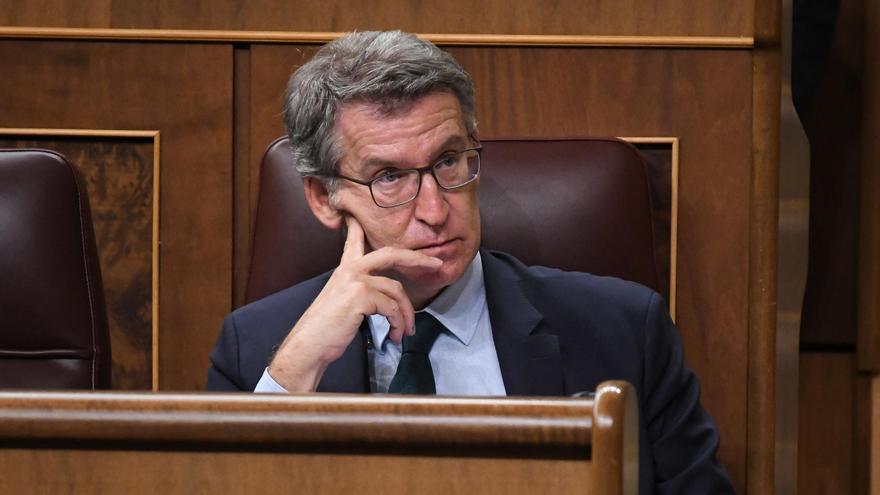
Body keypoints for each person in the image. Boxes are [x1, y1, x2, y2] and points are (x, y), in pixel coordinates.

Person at [206, 30, 734, 493]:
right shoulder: (257, 352)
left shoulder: (624, 331)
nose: (436, 210)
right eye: (389, 177)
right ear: (324, 197)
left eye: (449, 160)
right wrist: (296, 375)